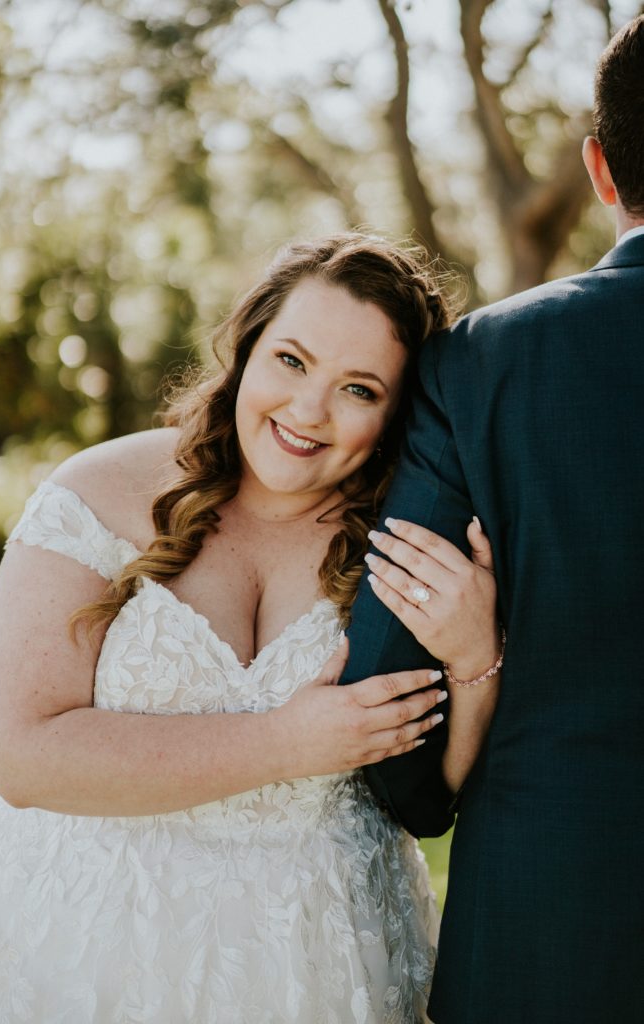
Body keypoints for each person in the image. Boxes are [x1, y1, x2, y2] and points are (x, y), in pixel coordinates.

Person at [0, 234, 500, 1023]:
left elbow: (433, 796)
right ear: (246, 349)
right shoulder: (97, 492)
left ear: (396, 412)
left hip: (318, 952)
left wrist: (474, 654)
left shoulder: (405, 541)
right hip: (83, 944)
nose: (307, 411)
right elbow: (22, 757)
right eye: (290, 360)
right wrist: (286, 744)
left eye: (358, 388)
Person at [341, 16, 644, 1024]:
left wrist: (426, 786)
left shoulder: (479, 366)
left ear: (599, 169)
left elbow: (393, 715)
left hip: (543, 932)